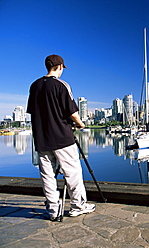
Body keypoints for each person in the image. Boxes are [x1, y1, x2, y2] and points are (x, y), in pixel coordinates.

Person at [27, 54, 95, 221]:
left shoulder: (34, 86)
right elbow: (72, 111)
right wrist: (80, 124)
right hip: (62, 138)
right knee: (72, 172)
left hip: (42, 139)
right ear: (59, 67)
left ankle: (53, 210)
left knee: (47, 175)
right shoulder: (61, 85)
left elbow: (32, 111)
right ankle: (77, 206)